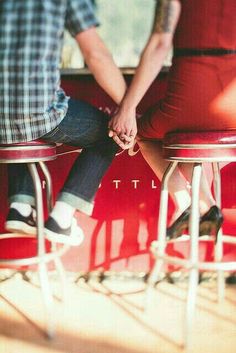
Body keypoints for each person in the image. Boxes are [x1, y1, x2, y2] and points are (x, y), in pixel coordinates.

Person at [0, 0, 127, 246]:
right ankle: (62, 218)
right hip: (39, 113)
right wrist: (128, 107)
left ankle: (21, 206)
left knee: (16, 121)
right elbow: (95, 54)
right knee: (109, 132)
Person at [109, 0, 236, 238]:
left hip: (191, 98)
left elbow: (160, 43)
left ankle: (185, 201)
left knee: (144, 134)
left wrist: (127, 107)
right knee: (181, 134)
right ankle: (205, 206)